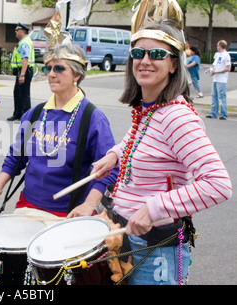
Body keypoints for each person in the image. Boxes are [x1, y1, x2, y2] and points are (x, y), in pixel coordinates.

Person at [92, 21, 232, 285]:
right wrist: (115, 155)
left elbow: (218, 184)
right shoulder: (150, 110)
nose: (145, 60)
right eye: (138, 53)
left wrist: (153, 208)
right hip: (125, 238)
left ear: (174, 64)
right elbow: (144, 142)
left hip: (154, 250)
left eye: (156, 54)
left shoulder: (176, 116)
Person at [0, 43, 117, 222]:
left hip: (68, 213)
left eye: (60, 68)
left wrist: (88, 205)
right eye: (49, 68)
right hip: (28, 205)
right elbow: (17, 156)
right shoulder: (35, 113)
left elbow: (110, 169)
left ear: (76, 75)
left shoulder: (92, 118)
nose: (51, 74)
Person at [8, 23, 35, 121]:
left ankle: (25, 115)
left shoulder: (24, 43)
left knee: (24, 94)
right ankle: (18, 113)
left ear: (22, 31)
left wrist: (22, 74)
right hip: (22, 71)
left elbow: (25, 59)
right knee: (18, 93)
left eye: (17, 30)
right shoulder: (23, 41)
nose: (15, 32)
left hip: (24, 71)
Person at [206, 40, 231, 120]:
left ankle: (224, 114)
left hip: (222, 80)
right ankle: (213, 113)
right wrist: (212, 70)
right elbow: (215, 65)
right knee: (214, 96)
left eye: (217, 45)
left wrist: (217, 72)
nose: (216, 47)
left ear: (220, 46)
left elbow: (228, 68)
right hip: (215, 79)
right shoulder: (217, 55)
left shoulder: (226, 55)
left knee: (221, 97)